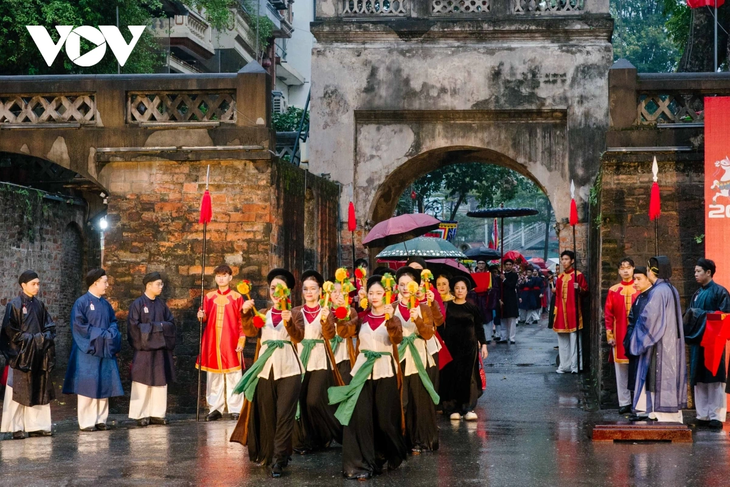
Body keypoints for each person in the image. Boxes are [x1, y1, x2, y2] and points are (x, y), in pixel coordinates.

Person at [328, 275, 407, 480]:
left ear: (386, 295)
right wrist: (342, 312)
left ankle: (390, 453)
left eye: (378, 293)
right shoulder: (361, 317)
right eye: (371, 293)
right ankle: (360, 465)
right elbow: (344, 332)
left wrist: (391, 319)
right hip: (362, 371)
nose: (374, 297)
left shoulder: (393, 317)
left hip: (385, 370)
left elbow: (397, 338)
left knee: (384, 421)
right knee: (360, 417)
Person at [230, 269, 303, 478]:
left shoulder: (295, 313)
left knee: (284, 416)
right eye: (272, 288)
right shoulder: (262, 313)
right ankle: (272, 454)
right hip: (265, 369)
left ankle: (279, 460)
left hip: (289, 369)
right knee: (268, 414)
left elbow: (298, 337)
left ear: (288, 291)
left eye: (280, 289)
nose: (276, 292)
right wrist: (246, 313)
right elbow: (251, 331)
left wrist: (289, 322)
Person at [62, 269, 123, 431]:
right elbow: (78, 326)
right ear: (95, 283)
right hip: (87, 351)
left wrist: (110, 334)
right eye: (105, 282)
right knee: (87, 385)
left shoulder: (106, 304)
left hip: (105, 348)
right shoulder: (81, 303)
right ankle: (87, 421)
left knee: (104, 384)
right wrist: (100, 335)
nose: (107, 285)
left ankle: (101, 419)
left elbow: (114, 322)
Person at [629, 256, 687, 423]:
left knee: (657, 376)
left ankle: (662, 413)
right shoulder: (671, 289)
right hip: (670, 340)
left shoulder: (658, 291)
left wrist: (635, 333)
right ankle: (662, 412)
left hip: (660, 341)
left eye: (648, 269)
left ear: (653, 271)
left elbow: (649, 319)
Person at [292, 270, 344, 454]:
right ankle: (305, 440)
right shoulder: (296, 311)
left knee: (313, 400)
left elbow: (330, 335)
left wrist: (325, 321)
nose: (309, 292)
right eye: (305, 289)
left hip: (320, 359)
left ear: (320, 291)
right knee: (301, 400)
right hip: (300, 358)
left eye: (313, 288)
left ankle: (328, 433)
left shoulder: (325, 311)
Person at [0, 270, 55, 439]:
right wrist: (31, 342)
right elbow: (9, 331)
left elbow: (49, 327)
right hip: (22, 356)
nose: (37, 287)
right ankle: (15, 427)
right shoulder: (14, 305)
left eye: (38, 284)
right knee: (17, 390)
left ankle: (37, 426)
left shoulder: (40, 305)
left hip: (39, 354)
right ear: (23, 285)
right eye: (33, 284)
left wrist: (42, 340)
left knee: (38, 389)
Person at [394, 266, 438, 453]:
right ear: (396, 286)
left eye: (409, 284)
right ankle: (401, 439)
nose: (405, 288)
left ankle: (420, 440)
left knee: (418, 400)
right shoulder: (392, 308)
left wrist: (418, 320)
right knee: (400, 400)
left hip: (418, 357)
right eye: (401, 284)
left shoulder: (423, 308)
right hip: (398, 357)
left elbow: (428, 333)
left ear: (417, 285)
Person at [683, 258, 730, 429]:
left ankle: (716, 415)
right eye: (695, 271)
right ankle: (702, 414)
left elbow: (725, 316)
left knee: (714, 379)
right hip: (698, 341)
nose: (695, 274)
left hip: (713, 342)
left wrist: (698, 314)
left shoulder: (720, 292)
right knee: (699, 379)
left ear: (708, 272)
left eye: (698, 271)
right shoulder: (696, 294)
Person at [196, 264, 245, 421]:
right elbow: (204, 316)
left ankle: (235, 408)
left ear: (230, 277)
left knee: (234, 375)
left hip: (231, 340)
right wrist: (201, 315)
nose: (221, 279)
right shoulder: (209, 297)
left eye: (224, 275)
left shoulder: (237, 297)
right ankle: (215, 408)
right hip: (212, 340)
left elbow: (242, 320)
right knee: (213, 376)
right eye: (218, 276)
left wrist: (242, 339)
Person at [127, 272, 176, 427]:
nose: (161, 287)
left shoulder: (161, 305)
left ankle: (157, 414)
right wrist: (158, 328)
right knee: (142, 382)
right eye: (158, 284)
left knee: (160, 381)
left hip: (160, 351)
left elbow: (171, 324)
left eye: (161, 284)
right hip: (144, 350)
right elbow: (134, 328)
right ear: (148, 286)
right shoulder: (137, 304)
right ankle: (140, 414)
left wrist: (155, 328)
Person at [439, 276, 489, 421]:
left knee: (469, 376)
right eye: (457, 288)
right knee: (452, 376)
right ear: (453, 290)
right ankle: (452, 408)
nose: (460, 291)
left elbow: (479, 328)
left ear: (467, 290)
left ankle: (468, 408)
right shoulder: (447, 306)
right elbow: (441, 326)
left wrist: (483, 344)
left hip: (469, 347)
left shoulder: (473, 308)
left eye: (463, 288)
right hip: (450, 347)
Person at [405, 257, 445, 403]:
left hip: (427, 340)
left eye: (418, 270)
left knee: (428, 377)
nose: (415, 273)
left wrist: (432, 303)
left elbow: (440, 319)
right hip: (406, 342)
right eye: (411, 270)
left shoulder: (430, 291)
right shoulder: (403, 291)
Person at [604, 258, 639, 415]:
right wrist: (609, 335)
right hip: (619, 335)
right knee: (621, 370)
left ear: (633, 269)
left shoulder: (640, 288)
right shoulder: (613, 290)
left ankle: (638, 401)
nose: (625, 270)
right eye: (622, 268)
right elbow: (608, 315)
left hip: (637, 335)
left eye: (628, 267)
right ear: (618, 271)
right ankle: (624, 402)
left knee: (638, 368)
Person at [553, 251, 589, 374]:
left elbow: (586, 292)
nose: (564, 262)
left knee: (575, 341)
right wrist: (556, 311)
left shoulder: (578, 275)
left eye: (566, 259)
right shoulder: (560, 277)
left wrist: (579, 288)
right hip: (561, 312)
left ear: (572, 261)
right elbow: (557, 296)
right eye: (562, 259)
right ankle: (564, 366)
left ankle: (575, 366)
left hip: (573, 311)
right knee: (562, 341)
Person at [328, 278, 358, 385]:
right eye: (334, 291)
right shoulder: (325, 311)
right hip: (328, 356)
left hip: (344, 355)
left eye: (340, 291)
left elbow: (354, 332)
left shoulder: (351, 311)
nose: (337, 294)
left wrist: (344, 310)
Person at [499, 259, 519, 344]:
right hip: (502, 299)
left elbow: (512, 285)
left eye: (510, 264)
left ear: (512, 266)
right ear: (504, 266)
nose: (508, 266)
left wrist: (504, 280)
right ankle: (504, 337)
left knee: (512, 319)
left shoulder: (514, 275)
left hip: (511, 299)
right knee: (503, 319)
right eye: (506, 264)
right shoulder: (500, 275)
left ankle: (512, 337)